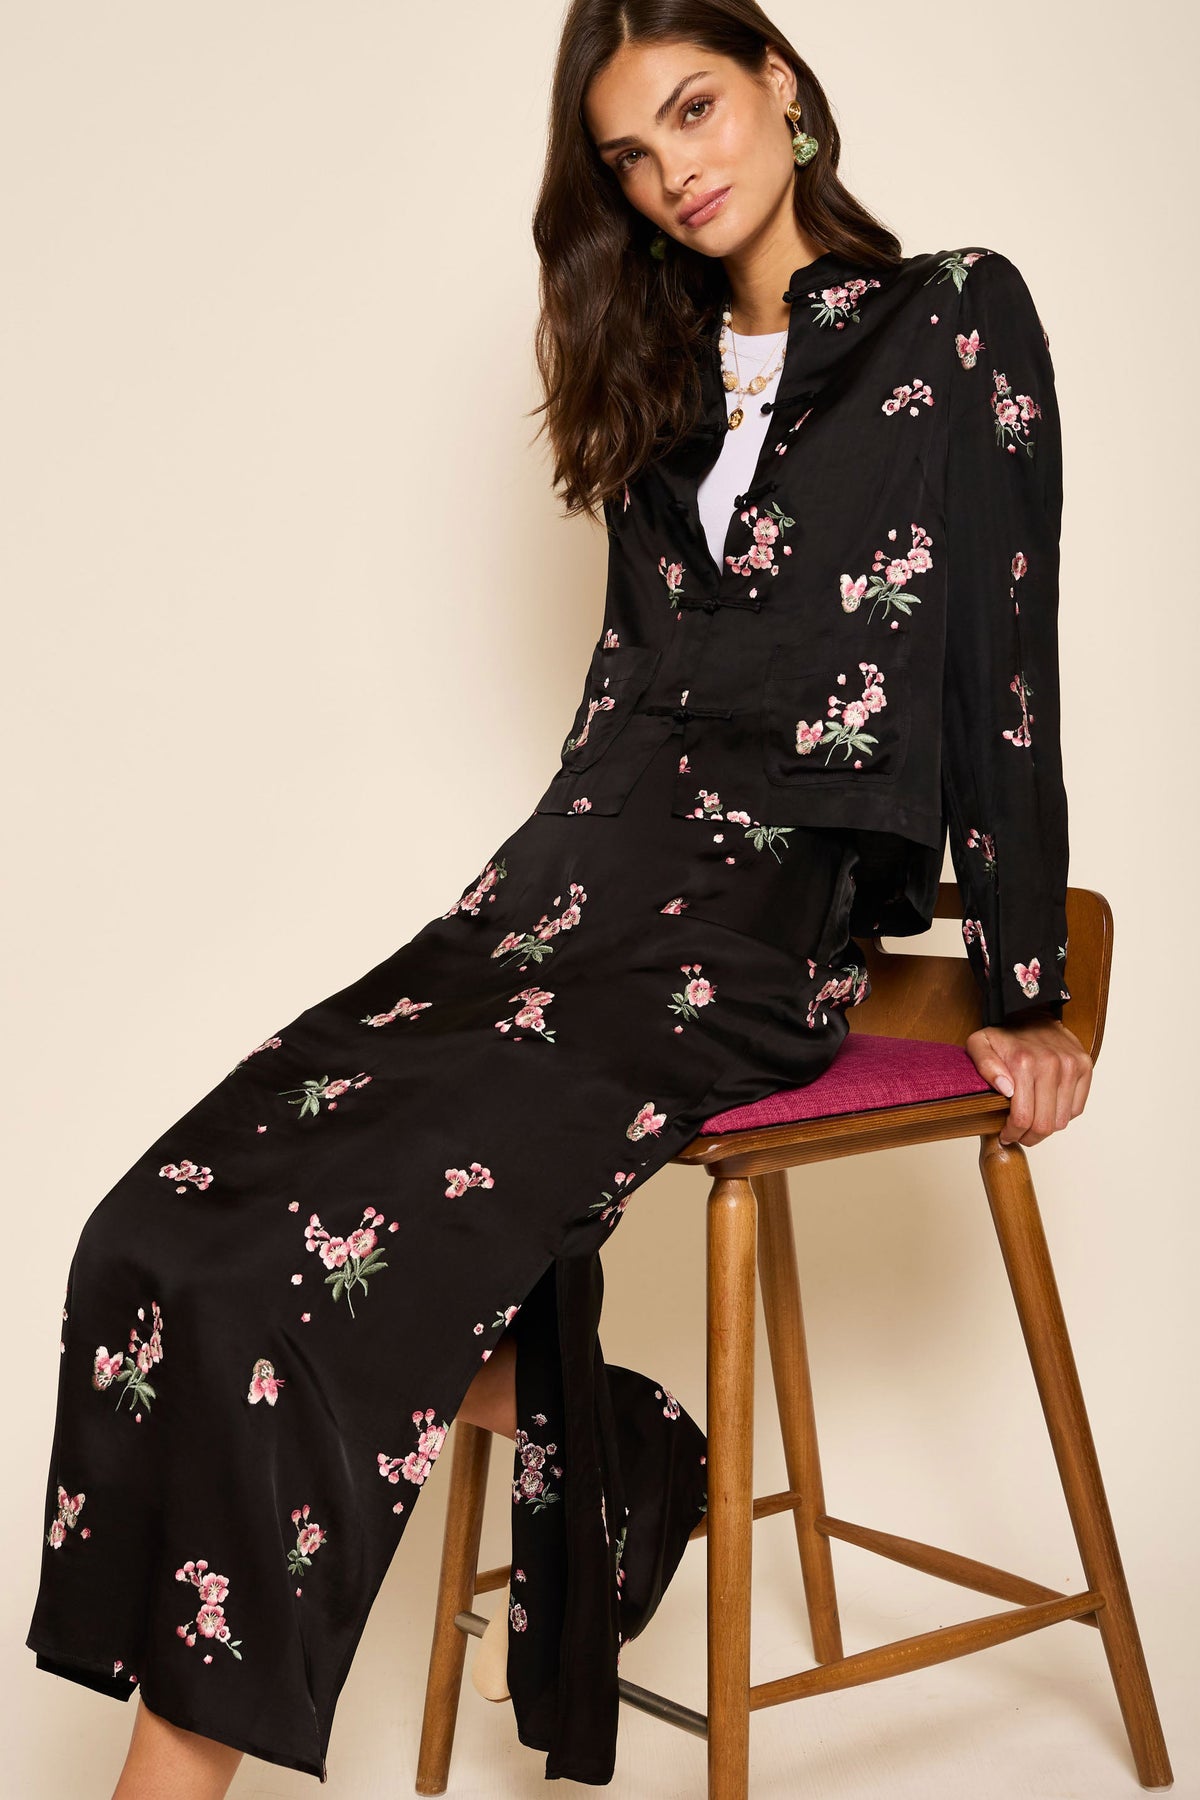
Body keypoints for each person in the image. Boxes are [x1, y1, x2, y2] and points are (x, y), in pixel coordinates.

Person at [25, 3, 1095, 1795]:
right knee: (159, 1235)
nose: (680, 165)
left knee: (299, 1284)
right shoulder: (666, 384)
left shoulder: (954, 316)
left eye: (697, 106)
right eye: (632, 148)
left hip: (754, 931)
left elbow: (1001, 650)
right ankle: (610, 1438)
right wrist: (506, 916)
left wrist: (1029, 973)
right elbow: (627, 688)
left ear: (784, 90)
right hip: (567, 898)